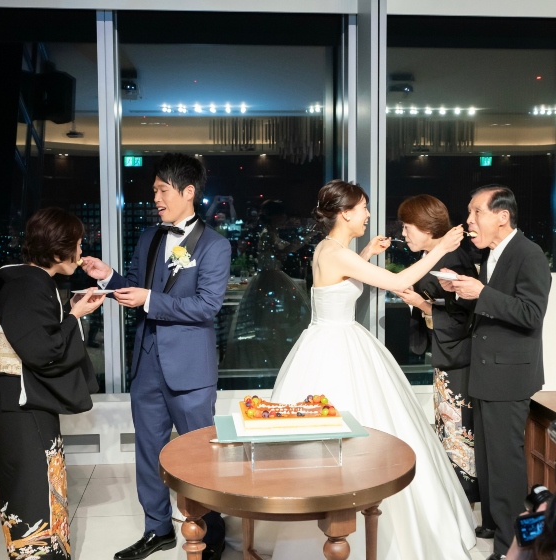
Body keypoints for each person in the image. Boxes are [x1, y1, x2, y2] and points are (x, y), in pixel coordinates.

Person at [226, 180, 475, 559]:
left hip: (333, 339)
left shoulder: (333, 249)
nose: (368, 215)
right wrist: (440, 248)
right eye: (363, 208)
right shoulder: (333, 252)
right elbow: (397, 282)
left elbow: (342, 278)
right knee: (349, 436)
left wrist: (367, 253)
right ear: (345, 213)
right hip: (335, 345)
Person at [82, 153, 231, 560]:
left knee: (200, 455)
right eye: (154, 191)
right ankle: (158, 529)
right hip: (147, 363)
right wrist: (108, 277)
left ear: (188, 191)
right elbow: (136, 286)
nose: (156, 199)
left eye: (163, 191)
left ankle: (213, 530)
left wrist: (149, 299)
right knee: (148, 452)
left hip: (191, 368)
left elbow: (207, 306)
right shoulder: (149, 237)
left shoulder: (215, 245)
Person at [440, 185, 552, 560]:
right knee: (488, 465)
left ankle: (514, 550)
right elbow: (491, 312)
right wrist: (460, 291)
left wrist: (481, 292)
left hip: (508, 377)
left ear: (502, 216)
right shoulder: (492, 255)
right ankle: (494, 529)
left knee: (506, 470)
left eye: (476, 212)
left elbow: (531, 314)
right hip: (487, 374)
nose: (469, 220)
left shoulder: (529, 254)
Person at [0, 207, 105, 560]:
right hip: (23, 408)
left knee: (41, 488)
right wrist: (74, 316)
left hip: (23, 405)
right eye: (77, 244)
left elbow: (38, 335)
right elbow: (43, 351)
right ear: (59, 251)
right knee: (34, 492)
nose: (81, 251)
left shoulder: (28, 283)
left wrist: (69, 310)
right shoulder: (27, 287)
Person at [393, 194, 479, 504]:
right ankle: (455, 493)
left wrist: (421, 304)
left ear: (427, 228)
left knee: (458, 427)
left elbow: (463, 317)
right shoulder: (434, 256)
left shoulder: (453, 260)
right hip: (446, 353)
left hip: (459, 357)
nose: (404, 234)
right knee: (448, 425)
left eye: (408, 227)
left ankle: (464, 495)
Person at [221, 199, 316, 370]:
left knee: (272, 321)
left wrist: (303, 238)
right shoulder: (268, 234)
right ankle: (272, 359)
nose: (285, 218)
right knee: (270, 322)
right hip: (269, 279)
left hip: (270, 277)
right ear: (275, 216)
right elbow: (282, 251)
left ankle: (275, 357)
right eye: (282, 215)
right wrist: (304, 237)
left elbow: (284, 250)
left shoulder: (270, 233)